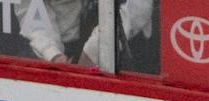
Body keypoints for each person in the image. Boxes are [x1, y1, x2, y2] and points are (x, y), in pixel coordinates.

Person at [20, 0, 153, 66]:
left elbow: (138, 9)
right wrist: (53, 54)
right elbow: (31, 9)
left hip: (124, 51)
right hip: (61, 54)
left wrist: (92, 52)